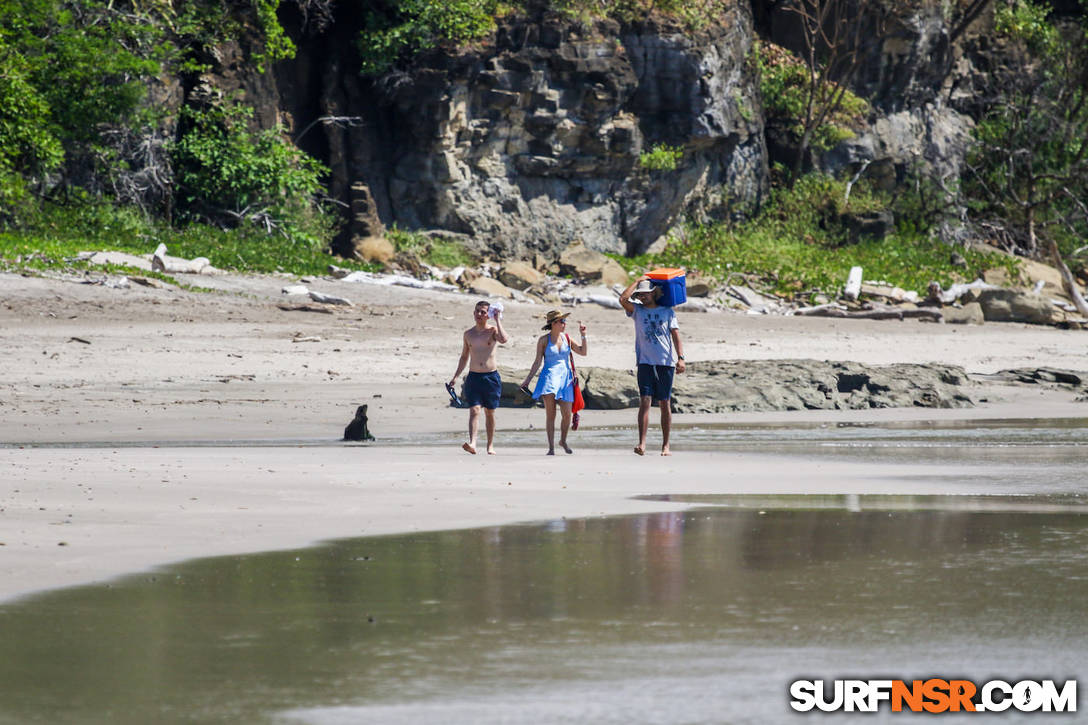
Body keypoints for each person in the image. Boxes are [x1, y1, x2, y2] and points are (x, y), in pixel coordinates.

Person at [619, 275, 686, 456]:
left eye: (647, 293)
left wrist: (681, 358)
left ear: (654, 293)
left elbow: (676, 335)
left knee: (665, 402)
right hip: (645, 362)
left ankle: (666, 445)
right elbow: (622, 299)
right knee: (645, 401)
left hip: (665, 362)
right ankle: (642, 443)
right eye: (640, 294)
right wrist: (636, 281)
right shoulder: (637, 311)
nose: (643, 296)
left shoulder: (667, 312)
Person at [520, 310, 588, 455]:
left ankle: (563, 440)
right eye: (562, 321)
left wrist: (583, 335)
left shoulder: (567, 338)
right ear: (553, 323)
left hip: (566, 379)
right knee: (551, 415)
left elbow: (583, 352)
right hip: (549, 378)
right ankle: (551, 448)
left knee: (567, 415)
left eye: (564, 321)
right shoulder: (544, 340)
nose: (564, 324)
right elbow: (537, 361)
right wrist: (528, 380)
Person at [449, 300, 508, 454]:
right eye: (477, 311)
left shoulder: (493, 331)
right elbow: (464, 357)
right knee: (474, 409)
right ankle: (473, 443)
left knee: (490, 412)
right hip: (474, 377)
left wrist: (497, 319)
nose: (479, 314)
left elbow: (504, 339)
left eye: (483, 312)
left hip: (491, 378)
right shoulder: (468, 334)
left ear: (488, 314)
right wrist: (456, 376)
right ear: (473, 313)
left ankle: (490, 445)